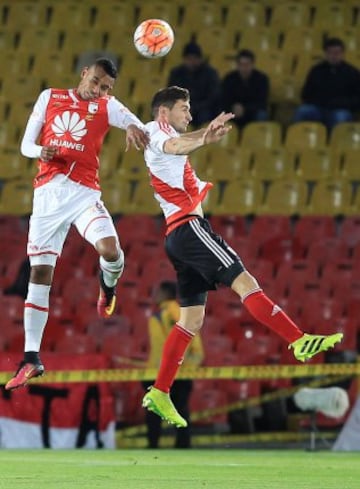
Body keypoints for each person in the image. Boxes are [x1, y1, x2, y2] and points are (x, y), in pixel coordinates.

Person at [141, 86, 343, 427]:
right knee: (245, 281)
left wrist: (203, 134)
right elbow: (176, 144)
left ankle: (160, 391)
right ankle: (298, 340)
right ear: (164, 113)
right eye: (184, 108)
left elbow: (180, 142)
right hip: (190, 229)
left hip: (177, 236)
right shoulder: (157, 131)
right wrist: (205, 138)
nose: (189, 114)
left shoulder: (159, 133)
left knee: (191, 321)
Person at [5, 58, 149, 391]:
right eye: (96, 81)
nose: (98, 90)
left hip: (83, 194)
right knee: (40, 274)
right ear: (84, 72)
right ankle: (31, 358)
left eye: (105, 87)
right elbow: (26, 144)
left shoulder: (107, 105)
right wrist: (41, 150)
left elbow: (136, 124)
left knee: (111, 251)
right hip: (47, 197)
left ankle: (108, 286)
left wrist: (130, 126)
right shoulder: (49, 97)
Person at [143, 281, 204, 448]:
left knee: (154, 412)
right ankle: (183, 445)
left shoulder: (163, 315)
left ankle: (153, 445)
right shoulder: (181, 313)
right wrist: (189, 365)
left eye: (158, 292)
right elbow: (196, 347)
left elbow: (163, 347)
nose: (155, 296)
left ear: (164, 294)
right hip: (180, 373)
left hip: (161, 374)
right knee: (181, 410)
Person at [293, 37, 360, 131]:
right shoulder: (316, 70)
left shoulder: (353, 73)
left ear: (343, 54)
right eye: (330, 53)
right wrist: (318, 101)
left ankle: (334, 143)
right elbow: (306, 93)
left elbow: (357, 99)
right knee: (303, 111)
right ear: (325, 54)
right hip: (318, 107)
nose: (334, 56)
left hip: (340, 109)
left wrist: (342, 103)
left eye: (337, 53)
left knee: (340, 117)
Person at [167, 41, 220, 127]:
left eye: (194, 58)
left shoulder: (210, 74)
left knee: (204, 116)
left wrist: (195, 108)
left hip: (203, 109)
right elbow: (172, 95)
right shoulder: (176, 73)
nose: (192, 62)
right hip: (183, 108)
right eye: (189, 59)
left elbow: (213, 97)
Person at [221, 49, 269, 129]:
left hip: (252, 112)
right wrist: (233, 107)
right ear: (237, 65)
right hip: (233, 111)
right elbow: (224, 99)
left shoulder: (262, 79)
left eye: (247, 65)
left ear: (252, 64)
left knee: (262, 115)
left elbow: (262, 102)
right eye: (241, 65)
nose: (243, 68)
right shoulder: (229, 78)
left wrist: (245, 109)